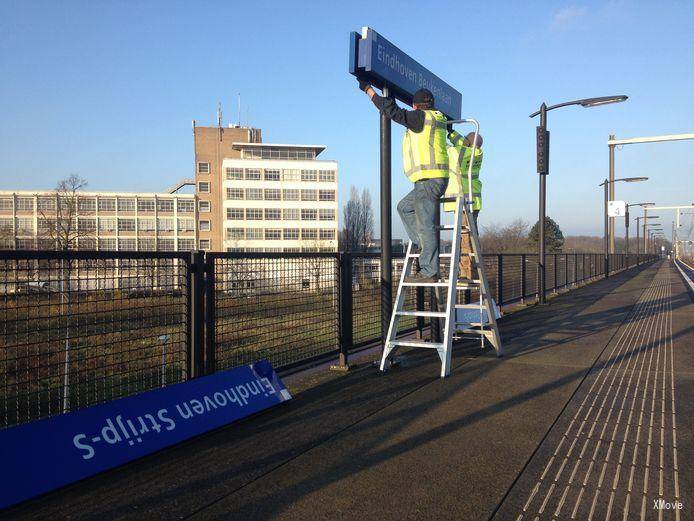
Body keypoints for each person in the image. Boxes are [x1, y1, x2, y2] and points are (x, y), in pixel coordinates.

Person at [358, 80, 449, 282]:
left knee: (426, 225)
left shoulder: (420, 117)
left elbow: (392, 111)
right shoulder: (437, 117)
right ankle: (421, 243)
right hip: (432, 179)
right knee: (404, 207)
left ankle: (429, 271)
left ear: (415, 106)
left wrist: (369, 91)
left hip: (429, 179)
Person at [443, 130, 483, 279]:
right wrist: (451, 132)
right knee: (470, 236)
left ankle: (466, 273)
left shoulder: (460, 153)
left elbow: (446, 148)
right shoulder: (475, 153)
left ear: (468, 144)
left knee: (465, 238)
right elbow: (461, 143)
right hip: (473, 202)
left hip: (464, 202)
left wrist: (441, 132)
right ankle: (473, 269)